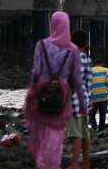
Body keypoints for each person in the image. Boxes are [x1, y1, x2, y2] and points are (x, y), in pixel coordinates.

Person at [24, 11, 86, 169]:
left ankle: (41, 163)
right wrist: (82, 102)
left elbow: (36, 72)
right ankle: (52, 164)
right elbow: (77, 79)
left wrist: (31, 94)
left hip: (41, 91)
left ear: (52, 25)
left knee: (40, 131)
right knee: (57, 134)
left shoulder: (41, 45)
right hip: (62, 95)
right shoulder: (72, 50)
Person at [67, 29, 92, 169]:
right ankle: (86, 163)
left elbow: (71, 79)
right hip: (85, 100)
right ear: (85, 43)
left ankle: (74, 164)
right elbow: (89, 82)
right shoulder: (87, 59)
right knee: (85, 134)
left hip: (74, 101)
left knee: (75, 133)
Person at [89, 61, 108, 132]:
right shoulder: (105, 70)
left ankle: (94, 128)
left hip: (93, 97)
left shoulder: (90, 71)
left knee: (91, 114)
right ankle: (101, 130)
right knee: (102, 115)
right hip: (104, 96)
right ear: (102, 64)